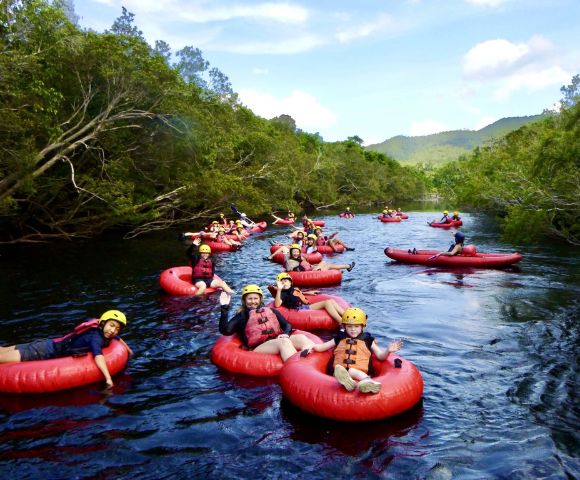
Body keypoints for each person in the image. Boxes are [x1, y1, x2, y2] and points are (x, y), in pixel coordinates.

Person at [0, 310, 133, 388]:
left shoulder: (102, 332)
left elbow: (117, 338)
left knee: (3, 350)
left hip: (46, 344)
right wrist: (108, 379)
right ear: (103, 323)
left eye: (117, 328)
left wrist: (128, 349)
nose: (113, 330)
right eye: (111, 325)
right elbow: (98, 356)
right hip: (43, 351)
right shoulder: (95, 337)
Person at [302, 307, 403, 393]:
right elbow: (322, 347)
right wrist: (312, 346)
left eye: (356, 326)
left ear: (362, 326)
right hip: (339, 373)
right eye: (349, 326)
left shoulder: (367, 340)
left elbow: (380, 356)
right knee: (339, 369)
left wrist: (388, 350)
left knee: (352, 370)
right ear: (345, 327)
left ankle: (367, 381)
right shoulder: (339, 338)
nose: (353, 329)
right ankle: (348, 381)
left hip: (360, 372)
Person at [218, 285, 314, 362]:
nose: (253, 302)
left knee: (300, 337)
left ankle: (311, 356)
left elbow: (287, 325)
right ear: (244, 300)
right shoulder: (242, 316)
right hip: (258, 347)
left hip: (275, 339)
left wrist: (285, 334)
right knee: (283, 342)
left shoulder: (270, 310)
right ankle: (298, 366)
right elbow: (226, 331)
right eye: (249, 299)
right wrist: (224, 308)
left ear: (260, 299)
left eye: (255, 298)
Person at [273, 272, 346, 325]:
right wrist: (279, 289)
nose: (284, 283)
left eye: (285, 281)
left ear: (290, 282)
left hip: (303, 307)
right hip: (299, 310)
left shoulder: (293, 289)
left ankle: (347, 315)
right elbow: (277, 305)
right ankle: (341, 321)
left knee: (331, 301)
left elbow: (298, 294)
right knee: (326, 303)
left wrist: (309, 292)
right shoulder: (283, 293)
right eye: (282, 283)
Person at [284, 244, 355, 272]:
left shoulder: (300, 258)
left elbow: (307, 265)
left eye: (297, 252)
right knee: (327, 265)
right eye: (294, 252)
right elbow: (290, 268)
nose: (295, 253)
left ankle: (346, 267)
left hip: (311, 269)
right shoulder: (290, 261)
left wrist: (314, 266)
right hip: (310, 273)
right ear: (291, 253)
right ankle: (347, 266)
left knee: (323, 262)